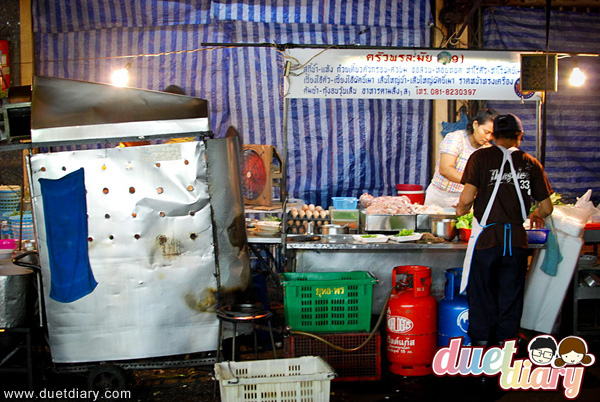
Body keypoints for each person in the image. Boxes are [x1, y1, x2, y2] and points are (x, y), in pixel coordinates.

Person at [456, 113, 554, 347]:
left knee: (482, 293)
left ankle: (481, 343)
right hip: (517, 241)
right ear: (519, 136)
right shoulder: (531, 163)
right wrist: (536, 215)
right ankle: (506, 344)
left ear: (494, 136)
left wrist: (461, 211)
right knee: (511, 295)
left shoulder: (480, 157)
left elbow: (466, 200)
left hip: (487, 239)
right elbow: (547, 207)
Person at [425, 108, 497, 208]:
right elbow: (445, 169)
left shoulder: (488, 150)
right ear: (475, 125)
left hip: (465, 200)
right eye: (486, 132)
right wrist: (473, 182)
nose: (488, 137)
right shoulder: (456, 138)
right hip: (440, 198)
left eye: (492, 134)